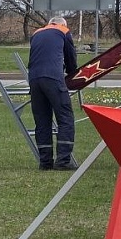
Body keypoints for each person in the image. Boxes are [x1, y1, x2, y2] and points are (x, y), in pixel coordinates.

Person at [28, 17, 79, 170]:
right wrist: (72, 75)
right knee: (65, 118)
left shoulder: (36, 33)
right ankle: (63, 161)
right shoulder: (64, 31)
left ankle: (45, 162)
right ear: (62, 24)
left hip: (34, 79)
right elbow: (70, 57)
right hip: (53, 78)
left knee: (42, 121)